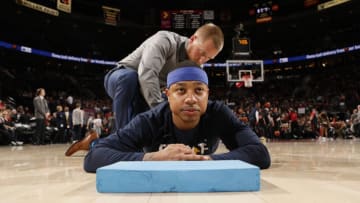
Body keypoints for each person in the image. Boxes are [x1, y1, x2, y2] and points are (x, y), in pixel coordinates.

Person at [77, 61, 270, 173]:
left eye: (199, 90)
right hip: (142, 134)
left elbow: (260, 154)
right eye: (181, 90)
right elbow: (93, 159)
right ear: (167, 94)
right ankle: (90, 141)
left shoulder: (218, 113)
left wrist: (207, 160)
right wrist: (153, 158)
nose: (191, 99)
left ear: (207, 94)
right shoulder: (150, 120)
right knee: (107, 142)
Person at [104, 23, 224, 130]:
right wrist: (159, 110)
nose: (202, 60)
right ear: (193, 39)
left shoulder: (197, 67)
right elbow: (147, 74)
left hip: (148, 92)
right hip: (122, 78)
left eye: (208, 58)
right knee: (130, 78)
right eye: (202, 52)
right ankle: (121, 138)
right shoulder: (164, 40)